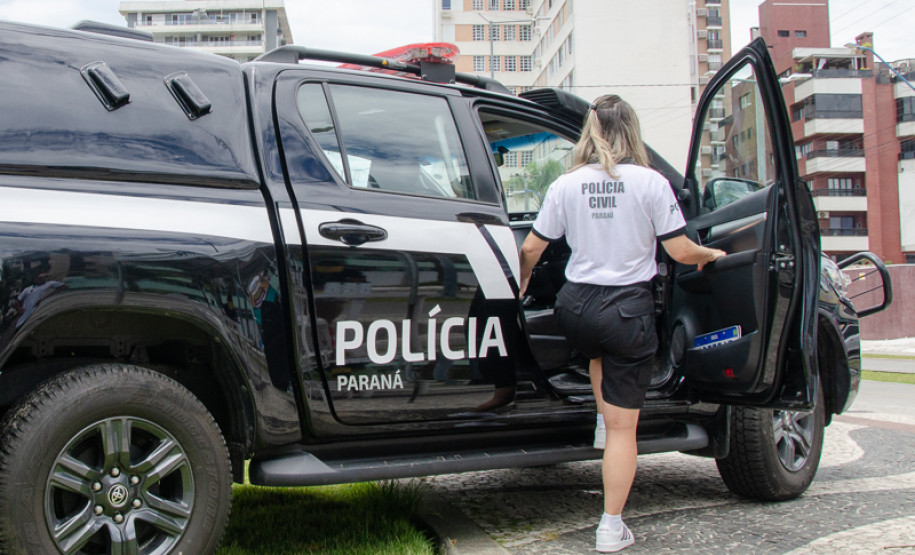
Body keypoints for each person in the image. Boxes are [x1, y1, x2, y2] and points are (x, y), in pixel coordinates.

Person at [518, 94, 725, 553]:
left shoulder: (566, 184)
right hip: (625, 309)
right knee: (623, 430)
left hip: (575, 308)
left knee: (598, 353)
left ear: (589, 132)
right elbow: (680, 252)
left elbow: (531, 248)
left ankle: (600, 418)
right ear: (632, 130)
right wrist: (711, 254)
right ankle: (611, 528)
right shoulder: (651, 183)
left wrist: (521, 283)